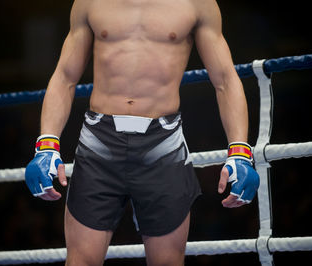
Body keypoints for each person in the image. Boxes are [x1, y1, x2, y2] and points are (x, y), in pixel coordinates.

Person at [25, 0, 260, 265]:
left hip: (162, 144)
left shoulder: (197, 4)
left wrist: (240, 150)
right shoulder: (90, 2)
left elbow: (225, 79)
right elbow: (65, 76)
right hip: (98, 143)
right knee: (80, 261)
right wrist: (46, 142)